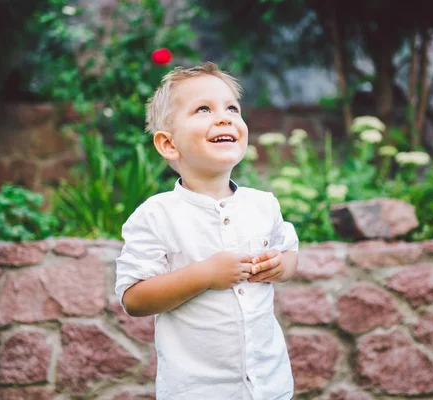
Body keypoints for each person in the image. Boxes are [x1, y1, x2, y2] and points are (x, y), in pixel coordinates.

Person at [115, 62, 299, 400]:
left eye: (232, 108)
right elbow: (134, 298)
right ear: (169, 145)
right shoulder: (156, 216)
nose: (225, 117)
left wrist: (279, 265)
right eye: (204, 109)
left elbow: (289, 256)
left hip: (268, 385)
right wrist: (205, 274)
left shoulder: (263, 205)